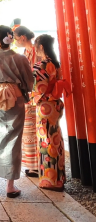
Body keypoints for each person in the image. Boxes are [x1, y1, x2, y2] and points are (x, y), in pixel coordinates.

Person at [0, 25, 33, 197]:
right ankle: (10, 186)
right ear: (11, 38)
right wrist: (17, 92)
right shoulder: (21, 58)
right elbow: (29, 83)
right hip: (15, 101)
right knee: (14, 140)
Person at [31, 34, 67, 190]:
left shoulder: (41, 65)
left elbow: (34, 86)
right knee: (56, 139)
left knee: (46, 141)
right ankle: (59, 179)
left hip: (45, 105)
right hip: (56, 105)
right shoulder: (56, 64)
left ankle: (50, 180)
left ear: (41, 47)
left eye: (36, 46)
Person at [13, 25, 39, 177]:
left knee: (33, 131)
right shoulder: (27, 52)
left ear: (23, 37)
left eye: (16, 39)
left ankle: (36, 165)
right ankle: (31, 164)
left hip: (34, 95)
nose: (15, 42)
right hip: (28, 95)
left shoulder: (35, 51)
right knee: (28, 131)